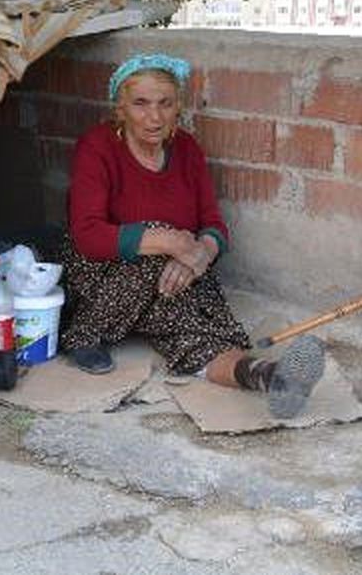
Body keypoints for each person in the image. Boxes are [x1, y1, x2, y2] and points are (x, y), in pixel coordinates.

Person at [60, 53, 325, 419]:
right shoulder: (98, 147)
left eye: (165, 104)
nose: (155, 117)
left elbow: (213, 223)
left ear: (177, 107)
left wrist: (200, 254)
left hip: (173, 274)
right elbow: (88, 235)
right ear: (120, 108)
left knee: (195, 313)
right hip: (101, 272)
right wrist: (171, 242)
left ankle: (268, 376)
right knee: (158, 260)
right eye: (141, 104)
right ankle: (83, 333)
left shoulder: (187, 149)